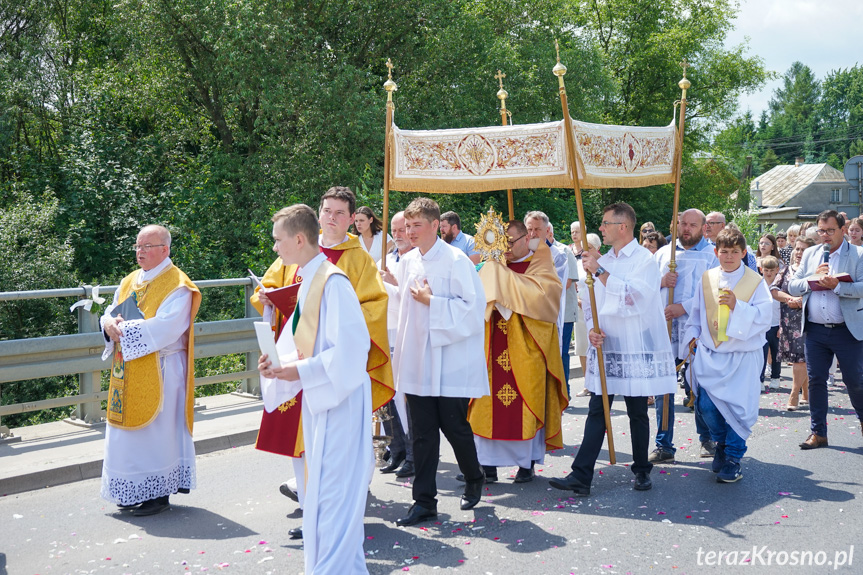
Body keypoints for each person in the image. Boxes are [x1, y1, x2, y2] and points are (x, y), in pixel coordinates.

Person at [251, 186, 394, 538]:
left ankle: (333, 515)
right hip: (296, 357)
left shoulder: (356, 259)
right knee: (301, 441)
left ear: (352, 219)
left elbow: (372, 309)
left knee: (331, 445)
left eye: (339, 213)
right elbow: (267, 288)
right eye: (326, 210)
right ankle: (309, 507)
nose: (331, 217)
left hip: (327, 366)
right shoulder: (298, 252)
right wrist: (270, 299)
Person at [549, 203, 677, 496]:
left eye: (606, 223)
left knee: (636, 412)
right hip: (607, 345)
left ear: (623, 227)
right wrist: (593, 328)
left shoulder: (643, 259)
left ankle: (642, 470)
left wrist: (600, 269)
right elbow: (592, 297)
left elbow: (636, 297)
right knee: (597, 410)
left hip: (633, 344)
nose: (601, 228)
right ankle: (581, 476)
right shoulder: (603, 258)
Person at [387, 198, 489, 526]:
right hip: (418, 359)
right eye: (407, 226)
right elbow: (401, 305)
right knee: (422, 434)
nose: (411, 232)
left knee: (454, 426)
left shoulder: (456, 260)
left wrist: (433, 302)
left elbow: (473, 310)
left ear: (435, 226)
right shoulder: (406, 262)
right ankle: (424, 502)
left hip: (449, 359)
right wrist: (385, 288)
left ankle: (474, 477)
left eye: (418, 226)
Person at [100, 225, 201, 516]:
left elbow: (168, 327)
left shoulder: (178, 284)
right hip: (128, 368)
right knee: (126, 434)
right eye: (137, 246)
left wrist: (123, 329)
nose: (140, 252)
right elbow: (112, 310)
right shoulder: (130, 279)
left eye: (146, 246)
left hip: (163, 368)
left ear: (165, 250)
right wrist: (108, 323)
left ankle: (158, 493)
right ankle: (130, 489)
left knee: (157, 431)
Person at [468, 220, 568, 484]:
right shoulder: (493, 265)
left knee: (526, 402)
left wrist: (505, 287)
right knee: (486, 402)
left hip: (526, 346)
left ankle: (527, 463)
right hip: (493, 344)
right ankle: (486, 464)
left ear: (526, 238)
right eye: (502, 242)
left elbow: (547, 299)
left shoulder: (540, 261)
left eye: (510, 242)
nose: (506, 248)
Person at [682, 227, 773, 483]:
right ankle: (721, 443)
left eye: (735, 252)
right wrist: (692, 335)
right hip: (711, 353)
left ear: (744, 253)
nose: (729, 256)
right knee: (706, 406)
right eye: (724, 251)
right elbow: (697, 313)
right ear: (716, 252)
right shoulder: (707, 278)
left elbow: (765, 317)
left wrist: (737, 306)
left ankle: (733, 457)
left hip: (742, 356)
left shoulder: (755, 281)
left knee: (739, 409)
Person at [788, 209, 863, 449]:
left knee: (855, 381)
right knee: (816, 380)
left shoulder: (859, 254)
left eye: (830, 230)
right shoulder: (810, 253)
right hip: (816, 330)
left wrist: (837, 286)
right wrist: (812, 277)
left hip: (847, 330)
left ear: (843, 229)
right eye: (821, 231)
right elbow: (793, 285)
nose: (825, 236)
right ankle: (818, 432)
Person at [652, 209, 718, 462]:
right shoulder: (662, 255)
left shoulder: (711, 256)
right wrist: (661, 281)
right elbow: (646, 287)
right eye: (683, 224)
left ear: (704, 227)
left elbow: (714, 291)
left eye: (693, 224)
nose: (686, 229)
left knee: (698, 385)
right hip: (665, 329)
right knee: (663, 387)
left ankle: (707, 437)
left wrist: (684, 307)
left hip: (696, 330)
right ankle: (664, 444)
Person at [377, 211, 415, 478]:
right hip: (385, 332)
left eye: (403, 229)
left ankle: (414, 454)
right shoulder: (385, 260)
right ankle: (397, 448)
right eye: (395, 229)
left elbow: (419, 298)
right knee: (388, 396)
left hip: (409, 333)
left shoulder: (417, 261)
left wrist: (396, 283)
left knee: (407, 398)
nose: (399, 234)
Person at [771, 237, 814, 411]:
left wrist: (802, 300)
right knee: (799, 358)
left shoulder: (815, 271)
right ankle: (806, 392)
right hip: (789, 321)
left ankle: (794, 393)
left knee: (801, 358)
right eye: (797, 249)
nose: (799, 253)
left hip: (808, 320)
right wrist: (790, 298)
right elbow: (774, 290)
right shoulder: (787, 269)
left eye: (803, 250)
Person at [525, 211, 568, 342]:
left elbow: (553, 287)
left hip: (548, 316)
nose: (532, 234)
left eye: (537, 229)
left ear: (547, 230)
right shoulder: (519, 254)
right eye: (529, 229)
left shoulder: (558, 255)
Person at [760, 256, 782, 391]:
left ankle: (775, 378)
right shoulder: (758, 284)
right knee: (761, 354)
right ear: (761, 269)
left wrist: (782, 326)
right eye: (766, 270)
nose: (768, 273)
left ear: (777, 270)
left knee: (776, 354)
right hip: (762, 326)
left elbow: (784, 308)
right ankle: (760, 379)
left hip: (776, 325)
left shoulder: (780, 285)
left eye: (771, 270)